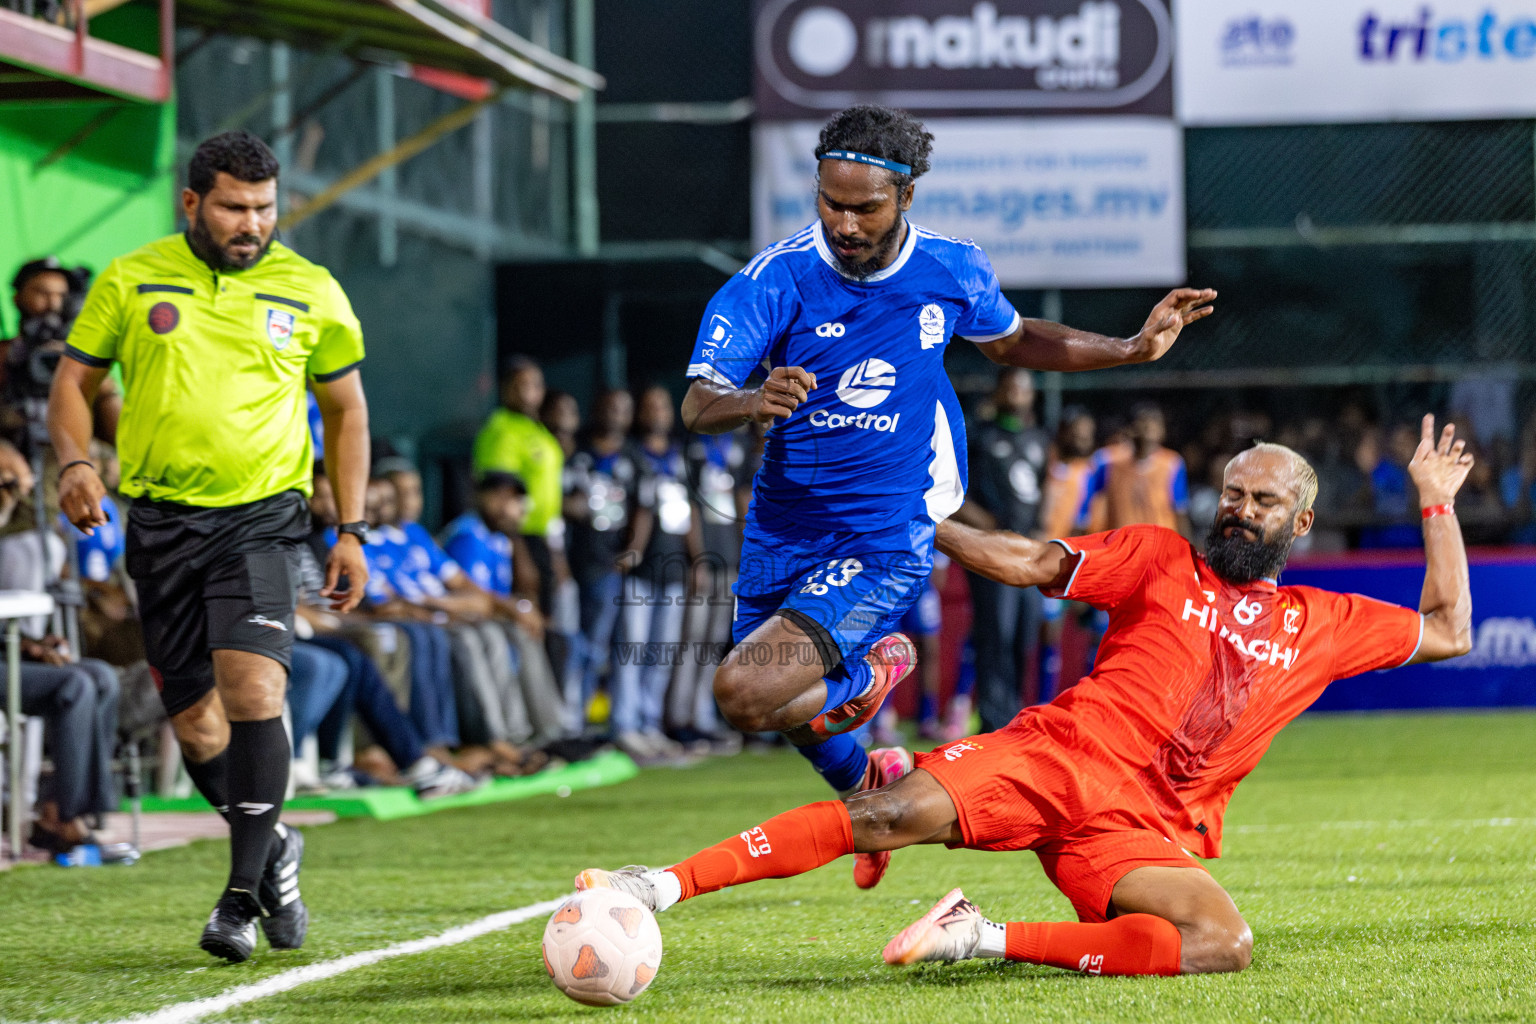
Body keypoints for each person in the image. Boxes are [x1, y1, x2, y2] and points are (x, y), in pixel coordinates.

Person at [576, 415, 1474, 978]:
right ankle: (654, 885)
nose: (1239, 509)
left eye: (1263, 501)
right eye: (1232, 493)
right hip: (1061, 756)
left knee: (1218, 946)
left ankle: (979, 935)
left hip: (1142, 828)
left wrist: (1436, 502)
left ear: (1300, 522)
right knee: (884, 816)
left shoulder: (1324, 620)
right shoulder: (1163, 557)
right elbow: (1037, 561)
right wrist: (926, 527)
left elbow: (1449, 627)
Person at [680, 102, 1216, 889]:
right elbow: (699, 402)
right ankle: (865, 778)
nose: (846, 223)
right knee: (774, 706)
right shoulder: (776, 280)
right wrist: (752, 398)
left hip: (887, 530)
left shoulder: (951, 269)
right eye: (831, 202)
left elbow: (1012, 342)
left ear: (905, 197)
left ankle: (869, 674)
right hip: (785, 527)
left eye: (864, 207)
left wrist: (1130, 348)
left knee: (741, 688)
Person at [49, 130, 371, 963]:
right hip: (158, 527)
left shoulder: (311, 289)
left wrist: (352, 527)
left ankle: (236, 900)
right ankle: (276, 852)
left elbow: (347, 413)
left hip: (262, 518)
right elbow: (73, 384)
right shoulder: (131, 277)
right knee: (195, 728)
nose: (252, 223)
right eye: (234, 206)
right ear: (191, 202)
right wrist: (77, 461)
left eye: (265, 208)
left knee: (254, 687)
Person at [612, 385, 700, 763]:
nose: (657, 411)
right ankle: (624, 725)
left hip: (674, 567)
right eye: (649, 405)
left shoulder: (679, 455)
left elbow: (690, 510)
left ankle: (648, 724)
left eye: (662, 404)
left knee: (661, 653)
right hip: (640, 569)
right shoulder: (629, 455)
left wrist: (698, 559)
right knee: (632, 649)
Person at [960, 367, 1049, 730]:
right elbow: (951, 492)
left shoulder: (1041, 439)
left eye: (1024, 389)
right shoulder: (977, 436)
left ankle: (1013, 712)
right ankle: (994, 720)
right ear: (997, 393)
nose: (1017, 394)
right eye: (1010, 387)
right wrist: (983, 523)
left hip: (1029, 553)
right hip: (991, 550)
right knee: (996, 631)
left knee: (1023, 634)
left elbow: (1042, 492)